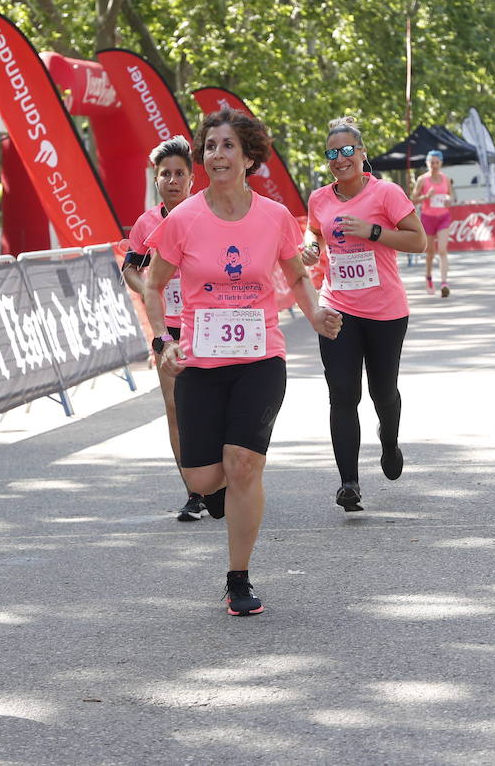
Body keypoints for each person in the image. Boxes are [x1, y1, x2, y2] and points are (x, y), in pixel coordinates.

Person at [143, 108, 342, 617]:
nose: (217, 154)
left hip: (260, 356)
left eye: (228, 145)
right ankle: (224, 494)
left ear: (249, 155)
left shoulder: (273, 217)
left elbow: (296, 276)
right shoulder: (184, 218)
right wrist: (164, 340)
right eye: (210, 146)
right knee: (204, 479)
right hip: (200, 362)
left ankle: (239, 577)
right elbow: (154, 283)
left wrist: (316, 312)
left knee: (244, 464)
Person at [301, 116, 426, 512]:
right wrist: (308, 247)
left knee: (381, 392)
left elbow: (418, 241)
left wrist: (371, 232)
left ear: (362, 153)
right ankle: (348, 483)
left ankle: (388, 442)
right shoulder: (319, 198)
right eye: (332, 153)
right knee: (342, 393)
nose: (340, 159)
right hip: (337, 307)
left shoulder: (386, 193)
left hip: (385, 311)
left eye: (347, 151)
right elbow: (314, 232)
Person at [122, 137, 204, 521]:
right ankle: (193, 491)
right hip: (166, 329)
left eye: (179, 174)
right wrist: (151, 290)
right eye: (164, 174)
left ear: (191, 179)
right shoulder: (147, 224)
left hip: (208, 324)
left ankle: (217, 478)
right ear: (157, 180)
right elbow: (130, 270)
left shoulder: (208, 213)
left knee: (211, 406)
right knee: (176, 409)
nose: (172, 180)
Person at [411, 149, 454, 296]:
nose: (434, 165)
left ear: (441, 163)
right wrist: (425, 197)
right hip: (428, 218)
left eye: (437, 162)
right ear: (427, 163)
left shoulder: (446, 179)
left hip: (443, 217)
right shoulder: (422, 180)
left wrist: (449, 200)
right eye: (432, 162)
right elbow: (413, 199)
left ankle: (444, 283)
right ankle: (428, 277)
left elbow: (451, 195)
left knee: (442, 250)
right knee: (430, 252)